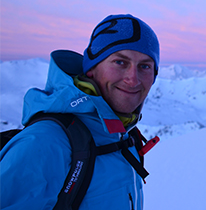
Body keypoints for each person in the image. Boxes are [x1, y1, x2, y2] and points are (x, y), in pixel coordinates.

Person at [0, 14, 160, 210]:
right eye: (120, 62)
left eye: (145, 66)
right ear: (92, 69)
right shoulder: (46, 142)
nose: (133, 79)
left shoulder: (123, 135)